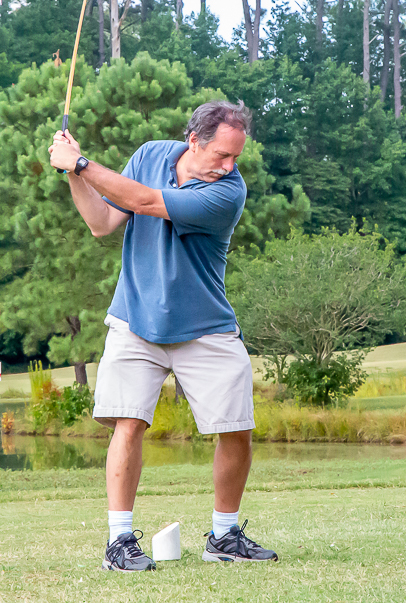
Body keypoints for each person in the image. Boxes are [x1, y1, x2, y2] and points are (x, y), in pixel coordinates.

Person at [48, 100, 278, 572]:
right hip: (135, 318)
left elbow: (146, 202)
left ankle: (224, 535)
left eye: (236, 157)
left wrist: (83, 163)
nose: (229, 166)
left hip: (205, 326)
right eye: (222, 155)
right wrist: (72, 171)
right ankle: (119, 542)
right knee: (128, 423)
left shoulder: (228, 192)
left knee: (236, 428)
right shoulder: (151, 154)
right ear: (194, 140)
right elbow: (102, 223)